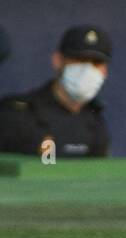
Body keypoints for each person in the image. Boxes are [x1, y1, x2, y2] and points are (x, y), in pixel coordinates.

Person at [0, 25, 112, 158]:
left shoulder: (95, 121)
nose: (87, 69)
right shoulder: (17, 114)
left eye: (96, 63)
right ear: (57, 60)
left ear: (105, 70)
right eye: (79, 59)